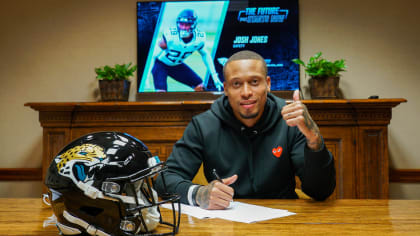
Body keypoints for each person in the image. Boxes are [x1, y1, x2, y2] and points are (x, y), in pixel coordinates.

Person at [155, 50, 336, 210]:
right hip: (225, 223)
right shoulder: (203, 125)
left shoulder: (291, 122)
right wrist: (198, 194)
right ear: (225, 89)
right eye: (236, 84)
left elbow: (320, 191)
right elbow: (165, 179)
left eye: (254, 82)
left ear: (268, 84)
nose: (246, 92)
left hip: (282, 223)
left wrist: (314, 139)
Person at [151, 9, 223, 92]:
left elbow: (205, 54)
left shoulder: (199, 38)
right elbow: (153, 55)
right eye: (181, 24)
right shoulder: (170, 35)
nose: (183, 27)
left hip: (177, 66)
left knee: (201, 88)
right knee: (161, 95)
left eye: (187, 24)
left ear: (193, 25)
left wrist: (214, 75)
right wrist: (146, 76)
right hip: (161, 65)